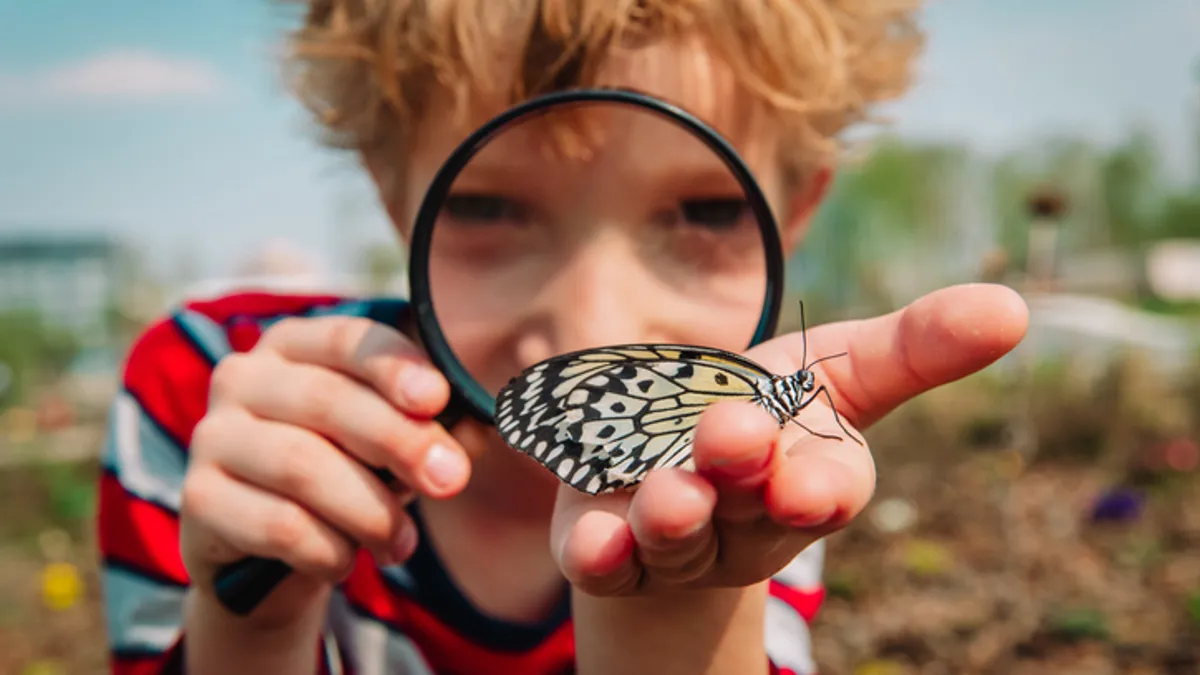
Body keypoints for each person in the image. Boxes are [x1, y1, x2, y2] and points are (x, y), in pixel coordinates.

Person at [96, 2, 1030, 674]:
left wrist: (677, 611)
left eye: (704, 211)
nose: (592, 325)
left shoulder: (760, 465)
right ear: (395, 200)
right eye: (486, 205)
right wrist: (249, 633)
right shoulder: (217, 385)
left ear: (796, 213)